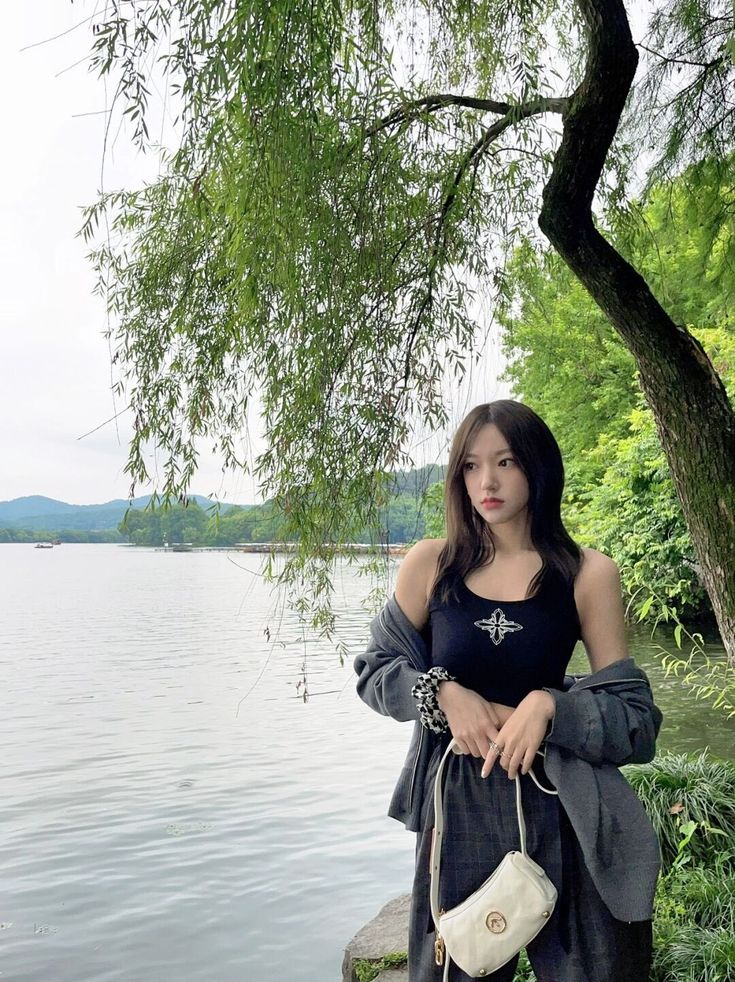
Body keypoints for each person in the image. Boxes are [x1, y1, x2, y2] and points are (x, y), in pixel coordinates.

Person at [354, 400, 663, 982]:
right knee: (456, 969)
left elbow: (636, 719)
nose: (486, 482)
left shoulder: (586, 572)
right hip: (459, 807)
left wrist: (550, 707)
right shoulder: (432, 564)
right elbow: (375, 670)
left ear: (538, 468)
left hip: (559, 800)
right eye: (470, 466)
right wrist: (441, 692)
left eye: (505, 462)